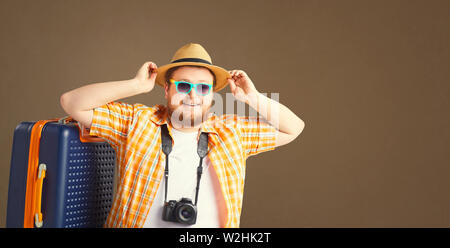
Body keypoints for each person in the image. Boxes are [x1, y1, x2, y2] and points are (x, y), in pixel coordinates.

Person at [60, 43, 305, 228]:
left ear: (211, 96)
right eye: (183, 85)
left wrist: (252, 98)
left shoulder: (232, 133)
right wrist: (136, 85)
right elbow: (72, 102)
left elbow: (293, 127)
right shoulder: (138, 122)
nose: (193, 95)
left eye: (202, 87)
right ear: (167, 89)